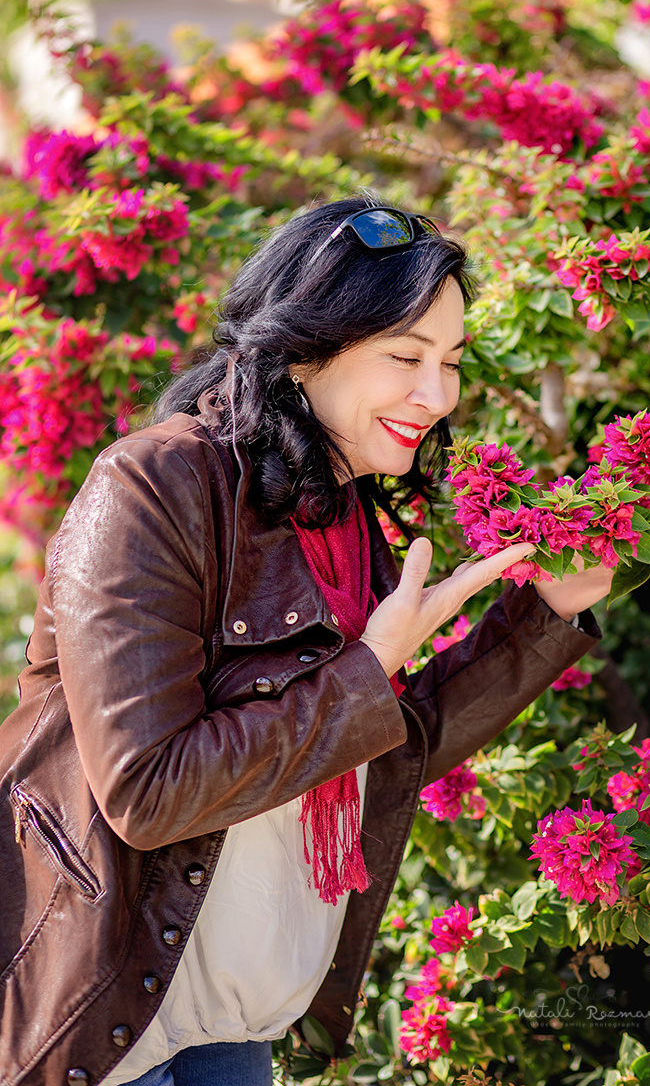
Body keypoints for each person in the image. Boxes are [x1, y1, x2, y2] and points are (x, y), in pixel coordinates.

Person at [0, 197, 612, 1086]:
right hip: (102, 1022)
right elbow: (149, 790)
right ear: (303, 349)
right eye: (406, 357)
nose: (437, 395)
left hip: (234, 1019)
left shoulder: (338, 510)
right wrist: (368, 669)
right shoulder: (155, 484)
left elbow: (374, 743)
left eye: (451, 363)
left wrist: (543, 617)